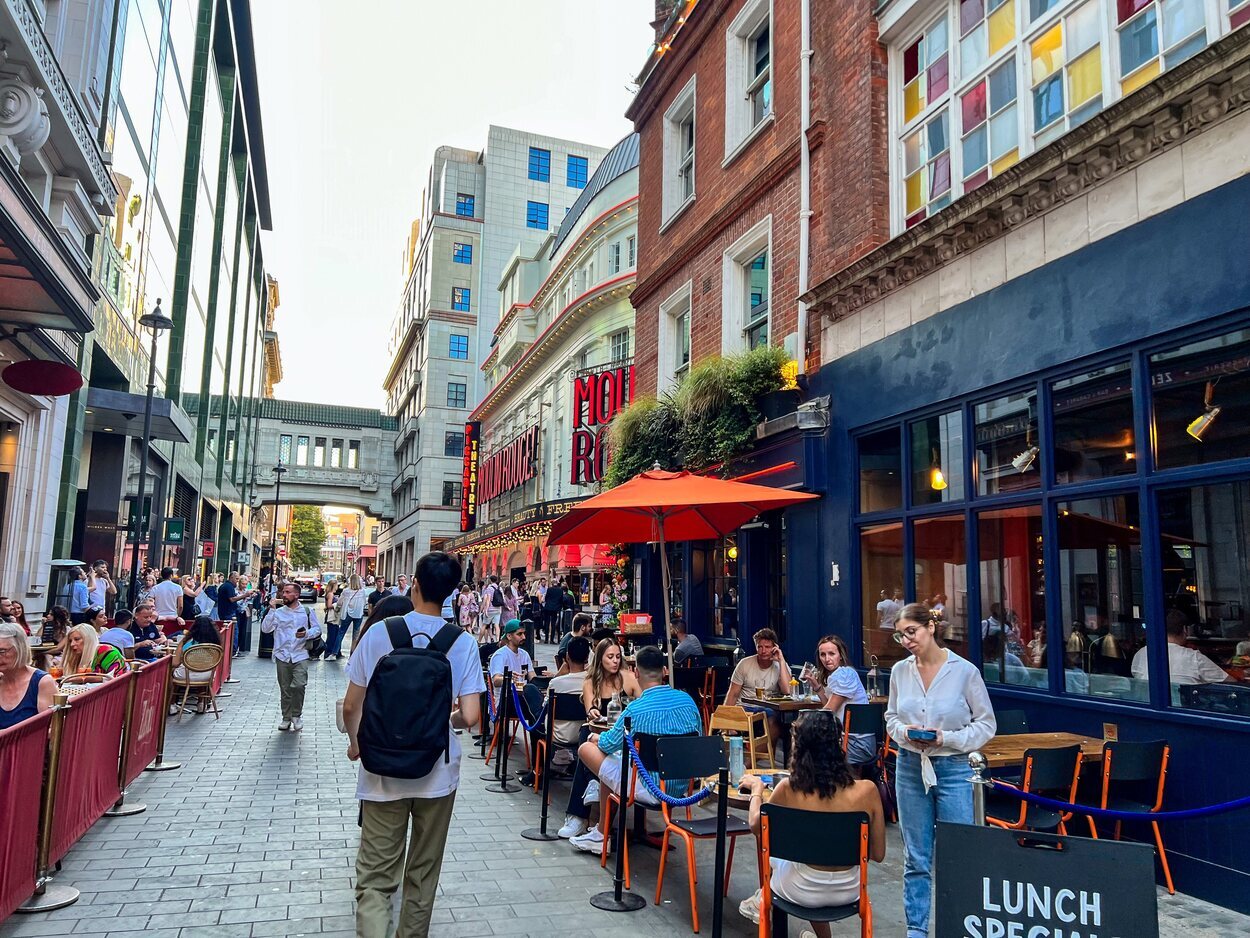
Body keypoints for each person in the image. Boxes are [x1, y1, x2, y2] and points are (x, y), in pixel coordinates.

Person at [343, 551, 484, 938]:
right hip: (437, 773)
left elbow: (352, 704)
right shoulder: (463, 643)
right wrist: (443, 720)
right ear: (452, 592)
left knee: (374, 877)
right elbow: (471, 717)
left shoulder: (380, 632)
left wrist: (357, 744)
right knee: (422, 873)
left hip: (380, 772)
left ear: (414, 584)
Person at [886, 602, 995, 938]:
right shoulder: (900, 672)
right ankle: (916, 930)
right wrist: (905, 733)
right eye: (900, 634)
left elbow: (987, 725)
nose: (906, 640)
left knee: (956, 853)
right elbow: (891, 717)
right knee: (915, 856)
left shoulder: (964, 671)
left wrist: (946, 738)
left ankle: (958, 924)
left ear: (930, 627)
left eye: (911, 632)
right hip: (909, 765)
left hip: (953, 767)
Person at [738, 710, 887, 933]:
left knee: (778, 856)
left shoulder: (789, 789)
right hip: (850, 889)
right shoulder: (867, 791)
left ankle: (761, 896)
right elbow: (878, 854)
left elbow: (755, 825)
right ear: (838, 746)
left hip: (799, 889)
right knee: (806, 854)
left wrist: (757, 790)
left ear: (800, 748)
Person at [569, 645, 703, 854]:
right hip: (681, 787)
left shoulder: (637, 709)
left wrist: (596, 737)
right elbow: (697, 741)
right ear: (665, 671)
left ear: (637, 673)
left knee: (588, 748)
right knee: (614, 763)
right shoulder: (688, 702)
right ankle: (600, 829)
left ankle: (601, 833)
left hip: (649, 789)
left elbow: (606, 744)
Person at [805, 634, 876, 767]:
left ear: (841, 655)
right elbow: (831, 708)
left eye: (831, 654)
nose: (827, 659)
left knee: (808, 753)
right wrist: (818, 688)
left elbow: (828, 711)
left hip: (855, 744)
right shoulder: (843, 673)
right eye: (823, 655)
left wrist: (803, 723)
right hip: (854, 740)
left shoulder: (843, 675)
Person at [260, 581, 322, 731]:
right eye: (283, 592)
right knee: (285, 688)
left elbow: (317, 629)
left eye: (288, 592)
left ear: (296, 595)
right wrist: (272, 609)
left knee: (299, 685)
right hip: (282, 655)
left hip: (300, 654)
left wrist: (306, 634)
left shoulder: (307, 611)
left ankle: (297, 715)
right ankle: (286, 717)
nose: (284, 595)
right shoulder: (279, 612)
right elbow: (266, 629)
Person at [1131, 609, 1230, 691]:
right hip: (1186, 711)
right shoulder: (1194, 657)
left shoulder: (1141, 654)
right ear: (1185, 630)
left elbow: (1137, 678)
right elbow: (1230, 683)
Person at [0, 623, 56, 730]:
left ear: (20, 648)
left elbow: (51, 730)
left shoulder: (42, 682)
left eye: (2, 651)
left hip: (31, 746)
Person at [171, 615, 223, 712]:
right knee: (202, 668)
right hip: (207, 676)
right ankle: (201, 702)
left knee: (172, 672)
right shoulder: (215, 644)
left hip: (185, 676)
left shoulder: (186, 641)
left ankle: (172, 704)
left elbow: (175, 662)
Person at [582, 638, 641, 723]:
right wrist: (592, 712)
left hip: (624, 730)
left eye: (618, 657)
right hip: (598, 729)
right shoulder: (590, 682)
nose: (615, 661)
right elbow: (590, 710)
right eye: (610, 657)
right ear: (600, 659)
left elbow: (643, 705)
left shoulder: (630, 678)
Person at [59, 623, 127, 682]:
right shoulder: (77, 655)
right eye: (70, 641)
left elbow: (117, 677)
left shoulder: (106, 651)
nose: (72, 644)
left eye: (77, 639)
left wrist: (85, 679)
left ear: (88, 639)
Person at [488, 619, 533, 700]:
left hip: (523, 697)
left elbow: (533, 678)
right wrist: (508, 678)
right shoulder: (500, 655)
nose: (524, 637)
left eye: (524, 633)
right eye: (519, 634)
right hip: (506, 700)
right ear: (509, 636)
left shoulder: (525, 654)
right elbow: (496, 680)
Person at [334, 574, 367, 658]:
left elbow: (339, 602)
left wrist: (337, 608)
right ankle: (352, 654)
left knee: (341, 632)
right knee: (356, 635)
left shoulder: (346, 591)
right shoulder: (362, 591)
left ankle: (335, 652)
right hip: (358, 614)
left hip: (347, 613)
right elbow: (364, 602)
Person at [480, 575, 503, 644]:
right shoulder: (500, 588)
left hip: (491, 609)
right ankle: (497, 640)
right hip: (498, 609)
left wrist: (486, 609)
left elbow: (488, 599)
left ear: (490, 580)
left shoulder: (489, 588)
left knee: (484, 624)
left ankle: (479, 640)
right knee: (496, 625)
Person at [542, 578, 565, 644]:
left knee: (547, 623)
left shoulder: (549, 589)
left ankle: (546, 639)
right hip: (555, 608)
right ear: (557, 583)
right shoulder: (560, 590)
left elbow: (546, 598)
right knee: (553, 624)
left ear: (552, 583)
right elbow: (561, 600)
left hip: (548, 607)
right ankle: (552, 639)